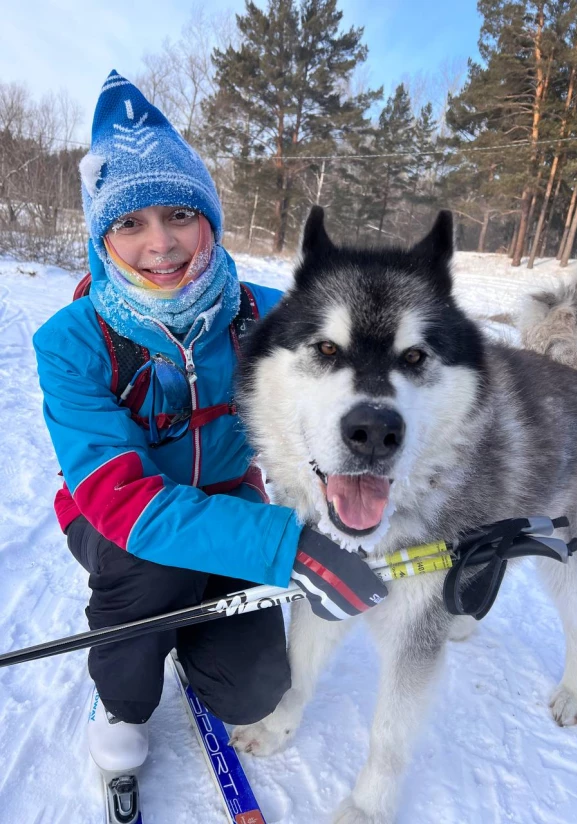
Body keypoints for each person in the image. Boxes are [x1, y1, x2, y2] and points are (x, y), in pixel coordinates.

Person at [33, 71, 387, 776]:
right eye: (130, 223)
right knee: (152, 565)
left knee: (253, 691)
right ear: (102, 236)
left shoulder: (268, 315)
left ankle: (200, 631)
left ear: (210, 218)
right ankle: (122, 699)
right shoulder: (69, 341)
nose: (161, 244)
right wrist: (288, 545)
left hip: (230, 497)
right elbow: (119, 498)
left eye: (179, 216)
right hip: (116, 523)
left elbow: (349, 396)